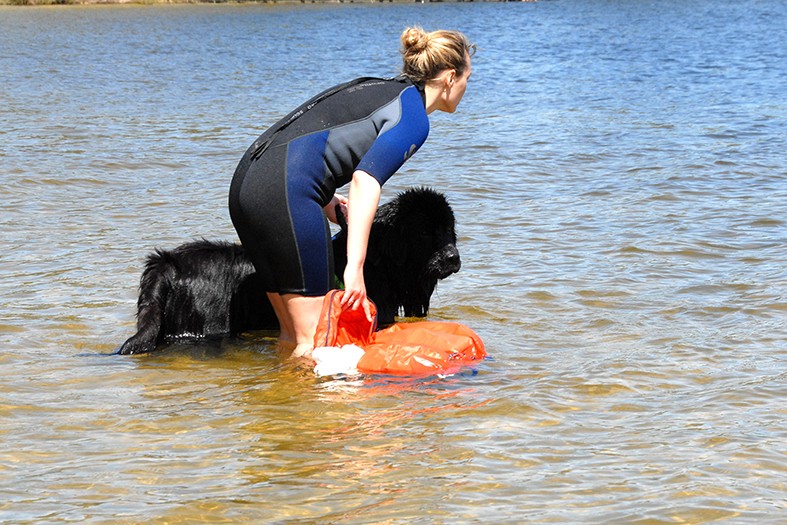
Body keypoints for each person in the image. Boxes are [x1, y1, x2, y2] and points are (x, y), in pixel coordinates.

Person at [228, 27, 475, 358]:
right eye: (467, 79)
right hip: (287, 194)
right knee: (317, 341)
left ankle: (282, 408)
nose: (465, 88)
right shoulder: (414, 116)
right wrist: (355, 269)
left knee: (293, 337)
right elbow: (365, 181)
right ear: (449, 77)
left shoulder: (378, 89)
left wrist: (327, 199)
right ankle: (327, 410)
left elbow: (307, 140)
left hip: (249, 183)